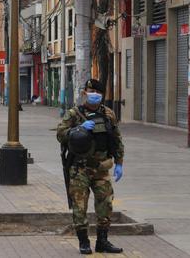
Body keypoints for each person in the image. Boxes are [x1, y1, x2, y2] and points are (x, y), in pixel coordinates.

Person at [56, 79, 124, 255]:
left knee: (106, 204)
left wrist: (119, 163)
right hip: (79, 168)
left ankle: (102, 241)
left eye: (96, 91)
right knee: (80, 206)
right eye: (89, 90)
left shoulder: (108, 114)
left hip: (102, 167)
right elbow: (60, 134)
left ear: (101, 95)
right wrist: (78, 129)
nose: (92, 94)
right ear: (84, 93)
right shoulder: (74, 114)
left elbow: (116, 139)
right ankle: (83, 242)